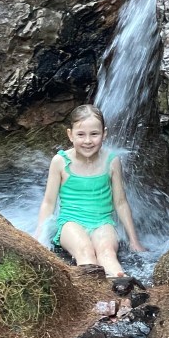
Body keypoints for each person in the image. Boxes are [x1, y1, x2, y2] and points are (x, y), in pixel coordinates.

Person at [34, 104, 145, 277]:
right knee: (85, 250)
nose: (87, 141)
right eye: (81, 134)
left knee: (107, 252)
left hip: (102, 221)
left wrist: (134, 240)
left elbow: (121, 203)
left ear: (104, 134)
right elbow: (48, 203)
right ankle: (93, 287)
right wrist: (39, 237)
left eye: (94, 134)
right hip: (70, 222)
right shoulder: (60, 162)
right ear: (70, 135)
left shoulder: (111, 161)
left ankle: (121, 284)